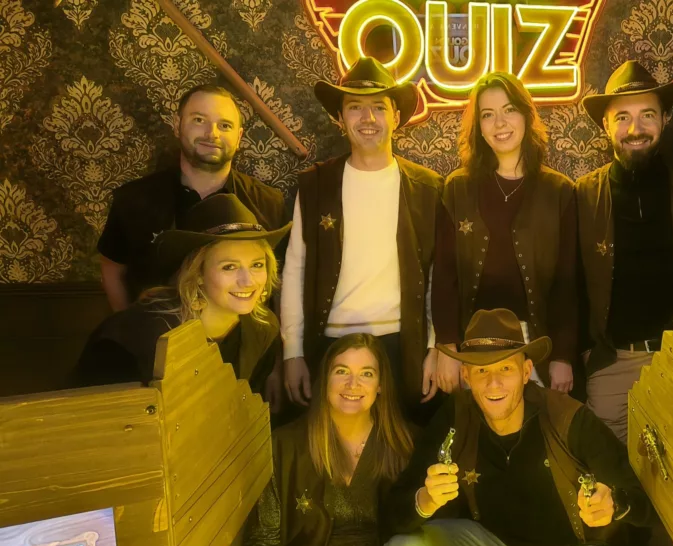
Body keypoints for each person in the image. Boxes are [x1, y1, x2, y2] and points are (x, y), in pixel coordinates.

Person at [379, 309, 654, 546]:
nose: (494, 383)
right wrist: (425, 500)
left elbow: (645, 503)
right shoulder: (456, 416)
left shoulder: (569, 418)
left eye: (505, 368)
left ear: (526, 372)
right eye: (482, 371)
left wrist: (615, 504)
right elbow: (394, 511)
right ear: (466, 376)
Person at [280, 57, 443, 426]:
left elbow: (438, 274)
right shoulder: (316, 185)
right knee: (333, 449)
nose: (367, 118)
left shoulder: (427, 187)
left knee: (403, 445)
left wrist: (434, 346)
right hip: (330, 345)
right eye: (355, 107)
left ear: (395, 117)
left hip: (403, 345)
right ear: (340, 118)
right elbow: (294, 271)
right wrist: (293, 352)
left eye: (378, 108)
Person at [576, 60, 673, 442]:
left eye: (647, 115)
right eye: (623, 117)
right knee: (609, 467)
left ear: (664, 119)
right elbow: (567, 281)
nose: (636, 129)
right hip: (613, 363)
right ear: (605, 125)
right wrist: (581, 353)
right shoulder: (582, 196)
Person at [432, 72, 577, 395]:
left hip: (536, 345)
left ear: (526, 116)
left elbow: (567, 283)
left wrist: (563, 355)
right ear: (479, 128)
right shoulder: (458, 188)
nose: (500, 123)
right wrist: (447, 346)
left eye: (509, 110)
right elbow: (444, 276)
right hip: (472, 345)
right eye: (488, 114)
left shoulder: (559, 191)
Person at [72, 194, 290, 394]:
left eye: (257, 265)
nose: (248, 281)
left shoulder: (262, 329)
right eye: (229, 267)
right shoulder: (140, 333)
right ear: (198, 273)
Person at [97, 85, 286, 311]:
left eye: (225, 125)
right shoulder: (132, 200)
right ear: (177, 125)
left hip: (240, 331)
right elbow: (113, 269)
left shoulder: (269, 202)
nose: (212, 133)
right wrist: (129, 325)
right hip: (156, 329)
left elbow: (278, 276)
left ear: (239, 137)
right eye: (199, 120)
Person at [244, 333, 415, 546]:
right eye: (341, 371)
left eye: (367, 373)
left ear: (380, 385)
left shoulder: (404, 444)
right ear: (325, 378)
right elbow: (263, 541)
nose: (353, 384)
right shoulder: (285, 444)